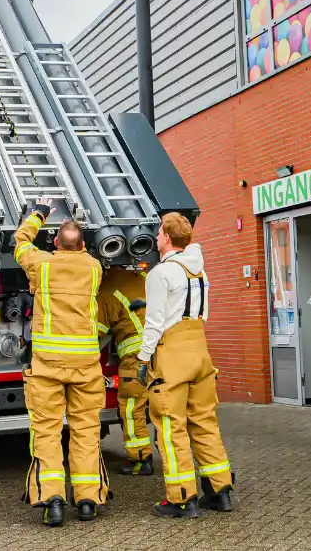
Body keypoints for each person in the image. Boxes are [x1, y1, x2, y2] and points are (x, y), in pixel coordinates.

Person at [14, 197, 108, 526]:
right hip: (85, 367)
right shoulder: (94, 268)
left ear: (55, 243)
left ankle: (52, 499)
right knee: (85, 431)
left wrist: (37, 214)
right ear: (83, 244)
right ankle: (87, 500)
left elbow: (21, 242)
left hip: (47, 367)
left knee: (47, 431)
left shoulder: (42, 265)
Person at [137, 212, 234, 517]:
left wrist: (143, 358)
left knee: (170, 424)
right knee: (204, 420)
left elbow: (154, 323)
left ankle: (181, 498)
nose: (155, 237)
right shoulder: (201, 272)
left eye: (158, 233)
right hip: (200, 349)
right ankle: (220, 491)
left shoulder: (160, 274)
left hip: (172, 353)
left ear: (166, 237)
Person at [95, 265, 155, 475]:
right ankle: (170, 455)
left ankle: (140, 459)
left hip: (136, 359)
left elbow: (96, 332)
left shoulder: (107, 289)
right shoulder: (146, 276)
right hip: (166, 351)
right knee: (165, 405)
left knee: (132, 408)